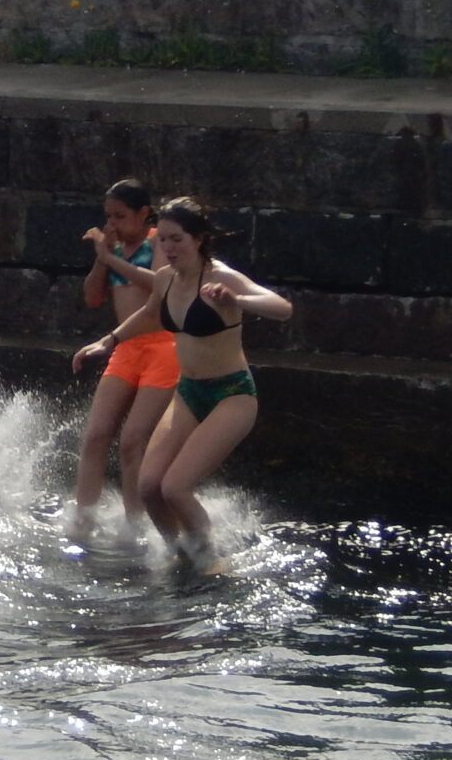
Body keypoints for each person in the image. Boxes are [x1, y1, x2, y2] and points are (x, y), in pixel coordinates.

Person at [73, 198, 292, 575]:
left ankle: (209, 557)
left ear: (199, 239)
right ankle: (180, 554)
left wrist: (236, 299)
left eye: (177, 240)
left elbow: (281, 307)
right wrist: (110, 339)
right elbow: (151, 313)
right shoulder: (166, 279)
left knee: (175, 487)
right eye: (164, 242)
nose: (169, 249)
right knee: (148, 487)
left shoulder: (220, 277)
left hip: (232, 395)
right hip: (189, 393)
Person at [67, 180, 177, 546]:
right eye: (108, 216)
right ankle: (83, 518)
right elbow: (93, 297)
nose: (112, 223)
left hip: (163, 347)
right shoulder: (113, 249)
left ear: (144, 214)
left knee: (133, 440)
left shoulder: (159, 241)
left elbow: (159, 287)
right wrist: (103, 259)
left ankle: (136, 524)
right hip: (126, 348)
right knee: (96, 435)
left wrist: (113, 258)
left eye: (121, 215)